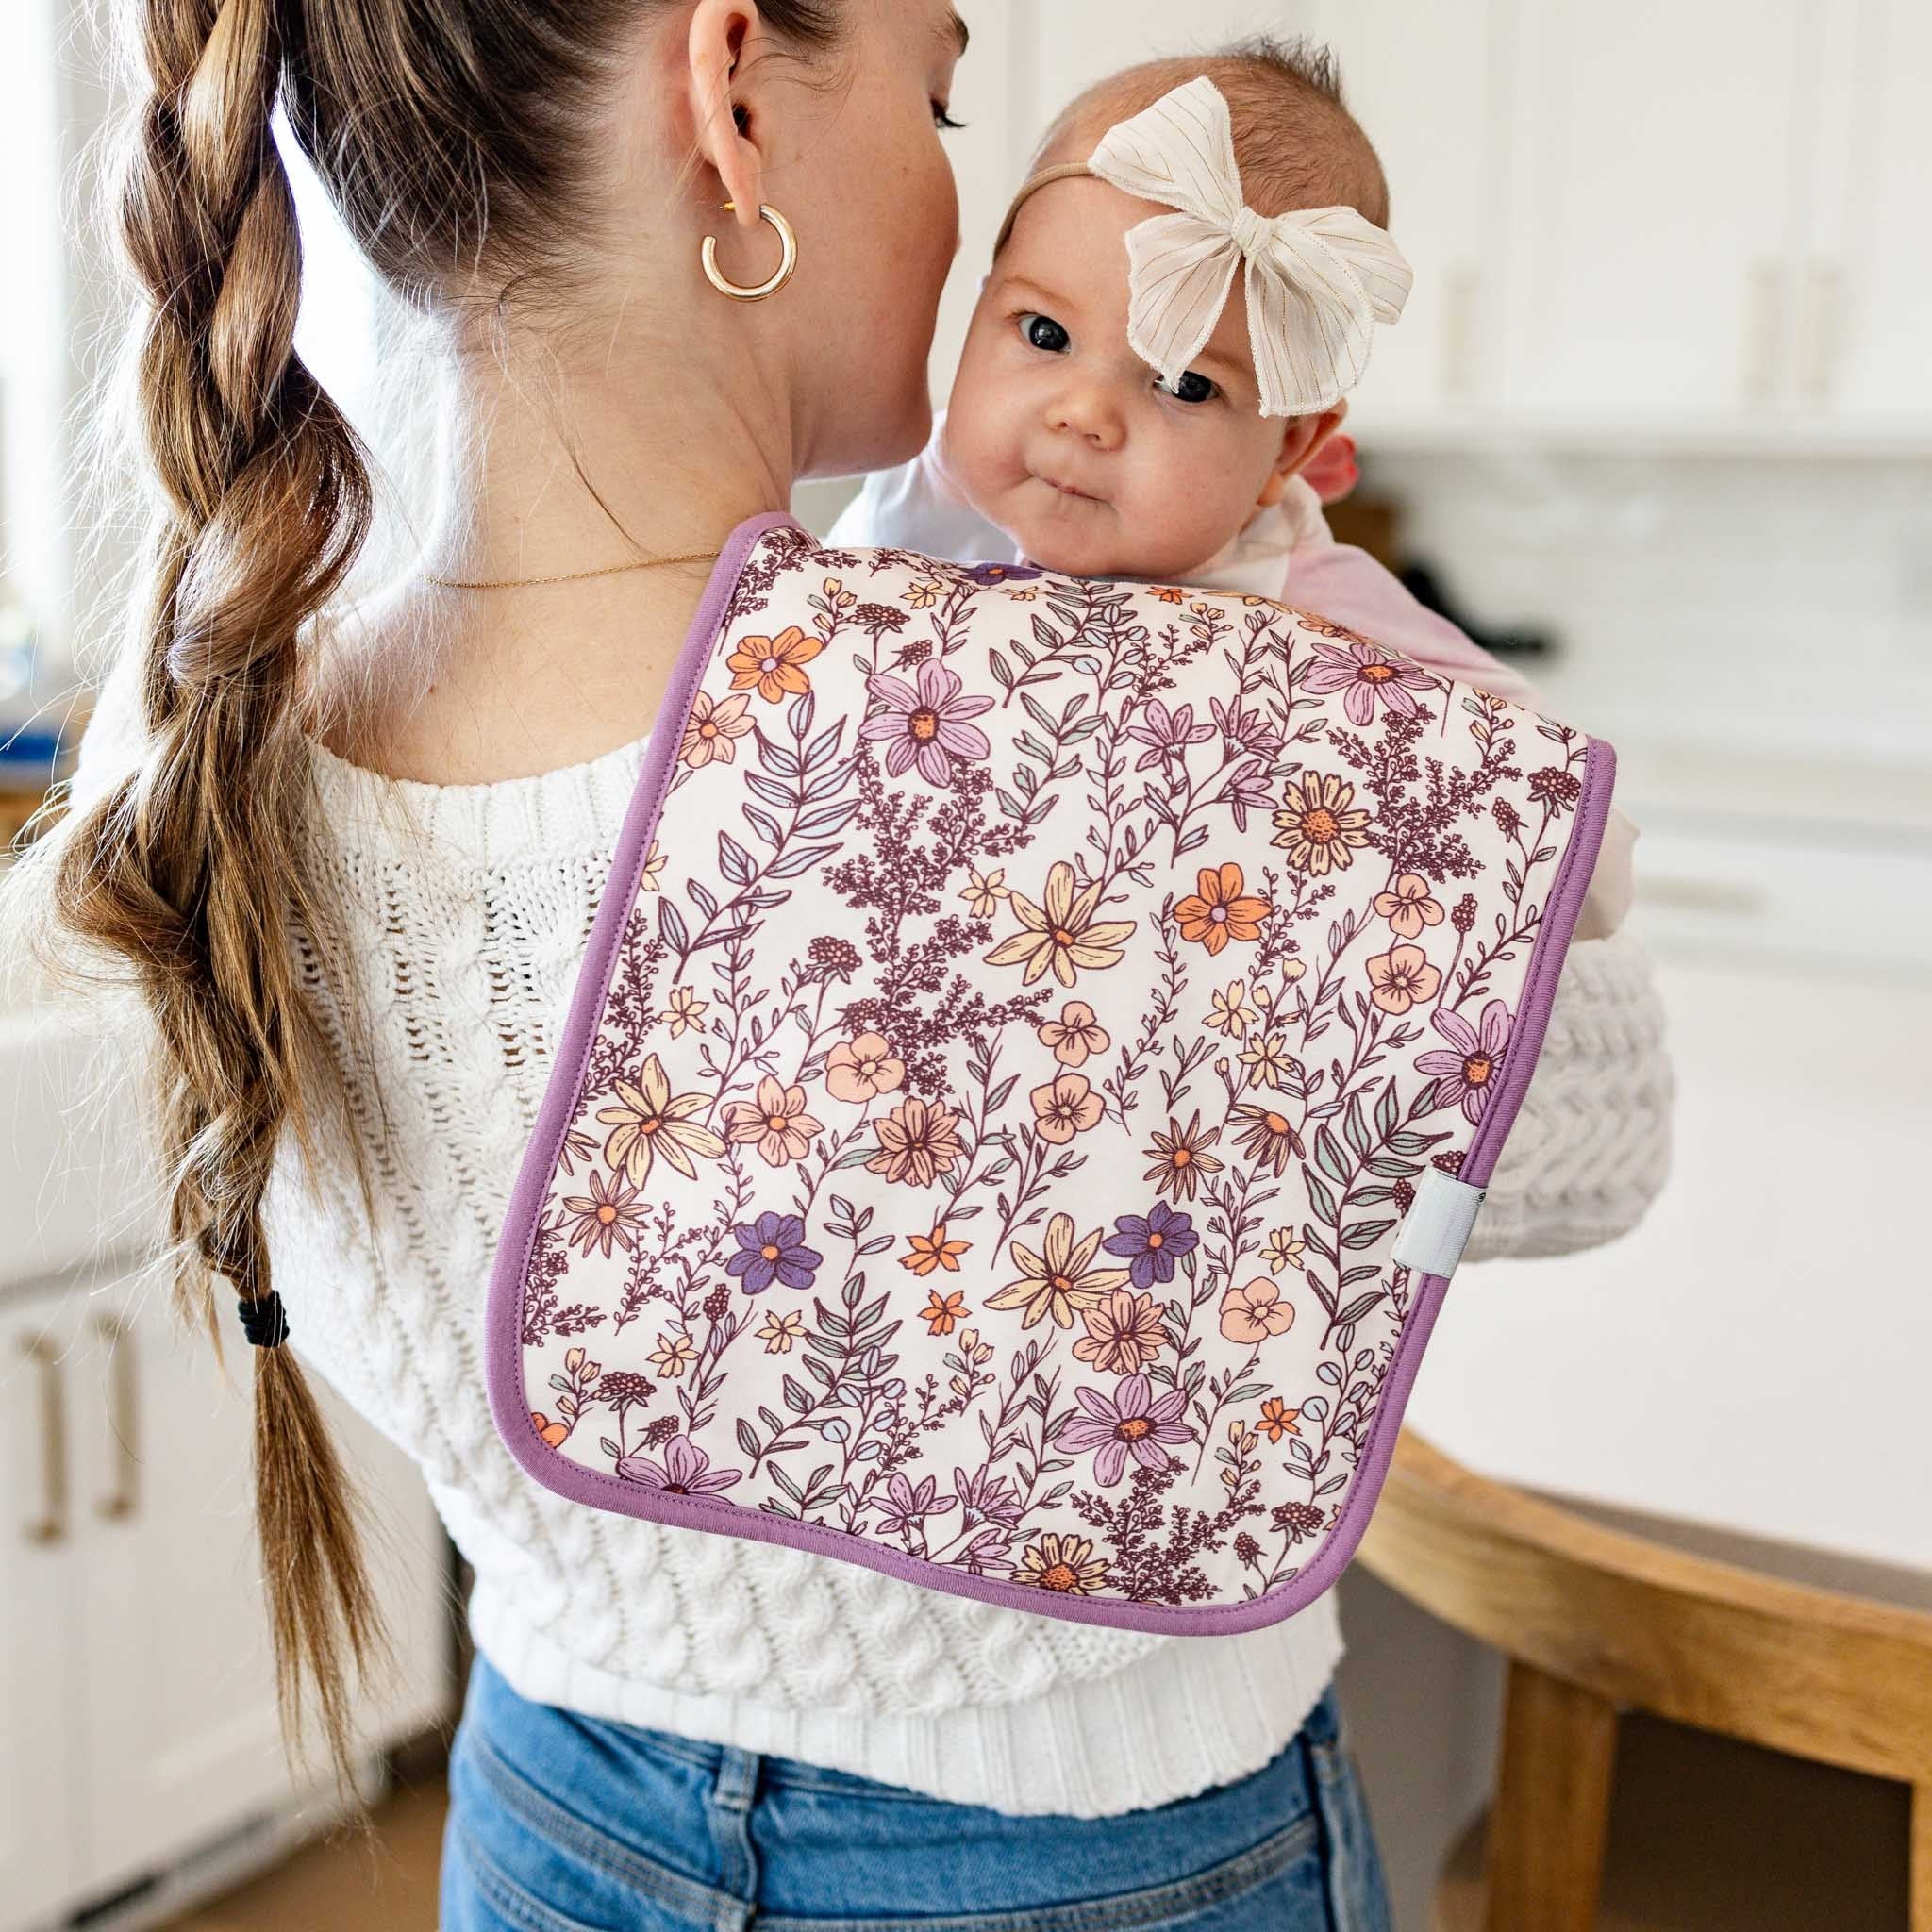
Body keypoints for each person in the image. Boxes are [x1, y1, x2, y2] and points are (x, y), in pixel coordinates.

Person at [6, 4, 1671, 1926]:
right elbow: (1601, 1123)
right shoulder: (1103, 747)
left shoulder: (231, 734)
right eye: (939, 89)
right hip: (1096, 1860)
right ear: (730, 94)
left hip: (549, 1824)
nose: (965, 194)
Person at [830, 48, 1635, 940]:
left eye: (1183, 384)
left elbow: (1588, 862)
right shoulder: (926, 485)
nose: (1084, 414)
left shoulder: (1308, 598)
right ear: (980, 308)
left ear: (1288, 445)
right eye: (1046, 332)